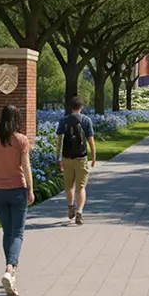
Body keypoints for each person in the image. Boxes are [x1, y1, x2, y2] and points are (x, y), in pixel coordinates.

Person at [0, 105, 33, 296]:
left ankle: (9, 270)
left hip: (0, 190)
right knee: (18, 233)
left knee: (7, 232)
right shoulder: (21, 140)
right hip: (17, 189)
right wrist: (31, 188)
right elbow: (26, 166)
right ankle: (10, 269)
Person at [57, 96, 97, 225]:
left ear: (70, 107)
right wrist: (94, 156)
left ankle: (70, 207)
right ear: (81, 107)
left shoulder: (63, 121)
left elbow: (59, 141)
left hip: (67, 157)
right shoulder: (86, 120)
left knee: (69, 186)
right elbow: (90, 139)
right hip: (81, 157)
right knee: (81, 187)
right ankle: (79, 212)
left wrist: (58, 157)